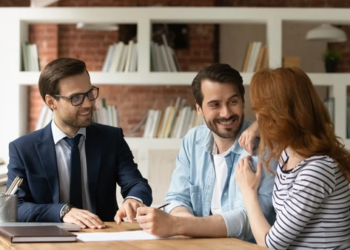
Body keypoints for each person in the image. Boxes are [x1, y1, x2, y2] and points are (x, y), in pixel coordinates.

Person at [136, 63, 276, 241]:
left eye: (233, 102)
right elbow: (177, 196)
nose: (226, 113)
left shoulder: (263, 145)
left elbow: (250, 220)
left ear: (243, 102)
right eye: (215, 105)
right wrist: (187, 222)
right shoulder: (193, 140)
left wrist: (178, 225)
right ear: (199, 109)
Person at [7, 58, 152, 228]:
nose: (88, 103)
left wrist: (133, 199)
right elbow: (15, 207)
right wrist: (63, 211)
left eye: (90, 93)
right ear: (51, 102)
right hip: (47, 240)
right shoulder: (23, 149)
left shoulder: (112, 139)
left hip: (104, 237)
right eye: (76, 98)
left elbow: (137, 183)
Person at [235, 67, 350, 249]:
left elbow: (272, 244)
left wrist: (248, 192)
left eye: (260, 111)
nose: (256, 115)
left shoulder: (317, 169)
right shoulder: (288, 153)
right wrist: (258, 125)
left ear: (279, 115)